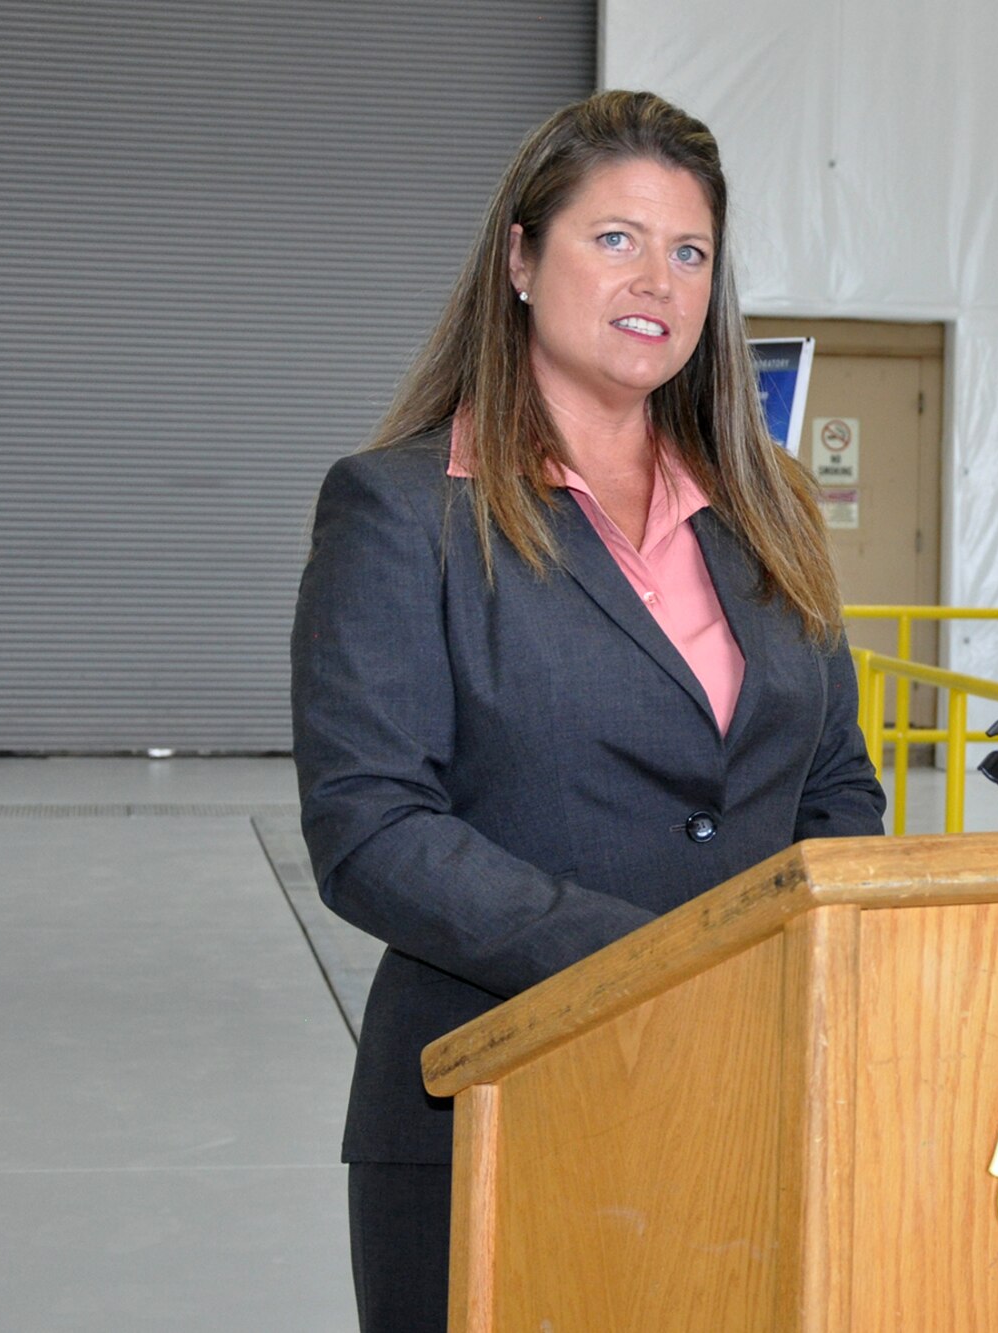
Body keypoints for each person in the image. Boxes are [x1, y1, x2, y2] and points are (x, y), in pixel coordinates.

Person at [290, 90, 886, 1331]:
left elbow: (835, 785)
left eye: (689, 251)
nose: (656, 280)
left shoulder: (767, 501)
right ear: (519, 257)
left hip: (749, 1093)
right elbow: (371, 829)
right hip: (498, 1093)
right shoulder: (404, 511)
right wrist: (654, 968)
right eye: (613, 238)